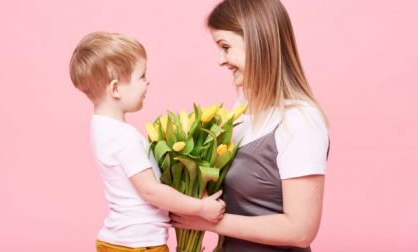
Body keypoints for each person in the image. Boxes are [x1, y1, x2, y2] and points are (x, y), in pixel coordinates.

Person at [171, 0, 330, 251]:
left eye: (225, 47)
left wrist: (208, 222)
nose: (220, 60)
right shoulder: (242, 111)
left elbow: (301, 230)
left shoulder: (300, 120)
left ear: (258, 42)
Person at [69, 31, 225, 252]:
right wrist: (200, 208)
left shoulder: (101, 128)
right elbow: (150, 191)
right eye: (141, 76)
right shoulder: (122, 136)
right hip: (137, 245)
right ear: (116, 88)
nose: (147, 81)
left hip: (120, 241)